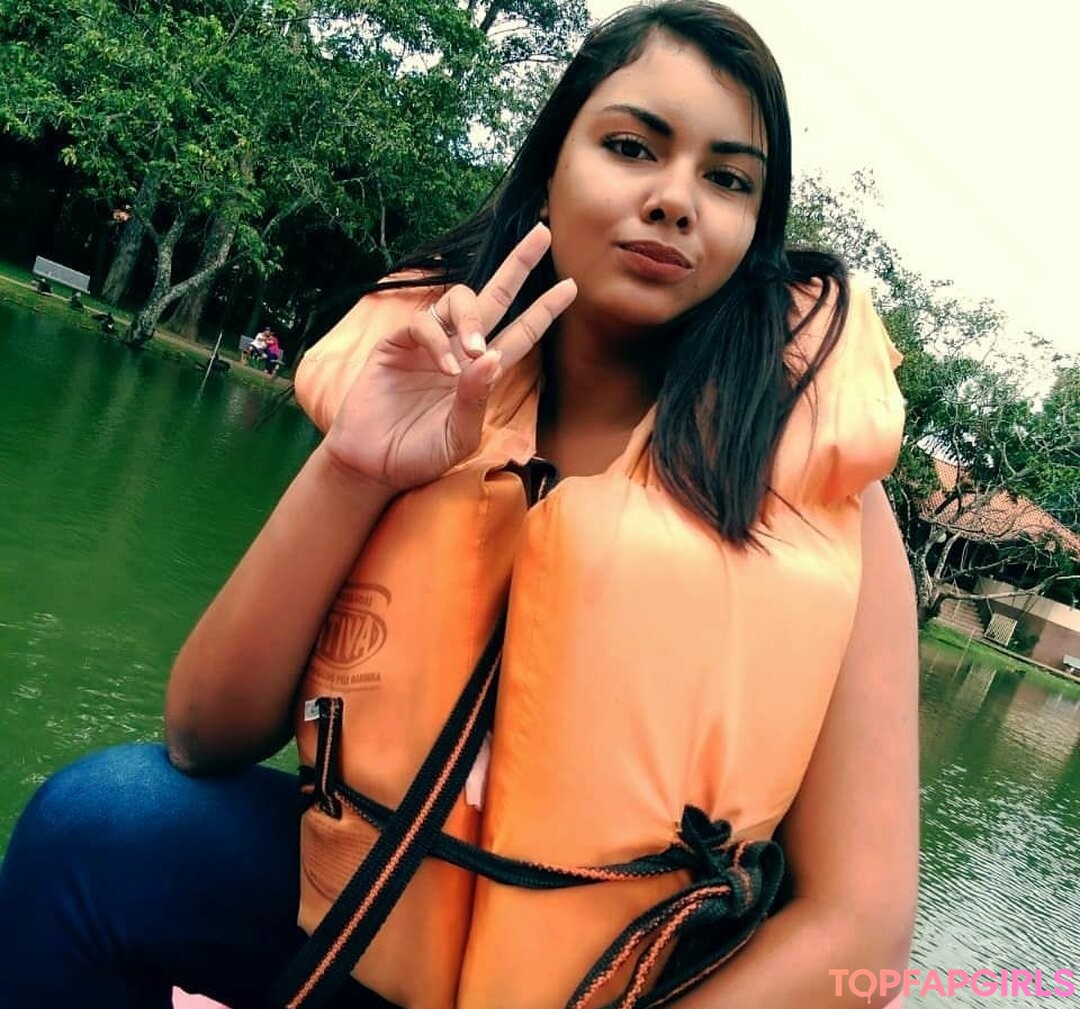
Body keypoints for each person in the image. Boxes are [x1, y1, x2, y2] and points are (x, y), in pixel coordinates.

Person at [0, 3, 919, 1008]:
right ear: (551, 165)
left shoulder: (825, 500)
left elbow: (860, 927)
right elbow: (201, 735)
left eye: (729, 179)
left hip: (608, 988)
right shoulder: (430, 383)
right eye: (630, 147)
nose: (675, 200)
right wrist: (355, 468)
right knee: (94, 826)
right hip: (363, 928)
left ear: (755, 233)